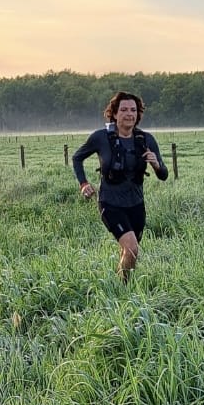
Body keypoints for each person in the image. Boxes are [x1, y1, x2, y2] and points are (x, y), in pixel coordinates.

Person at [72, 90, 168, 282]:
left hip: (136, 204)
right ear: (114, 113)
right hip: (110, 202)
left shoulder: (146, 140)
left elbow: (163, 175)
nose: (129, 114)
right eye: (123, 109)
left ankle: (120, 284)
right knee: (131, 248)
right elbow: (77, 158)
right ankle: (123, 289)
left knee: (130, 251)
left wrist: (156, 164)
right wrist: (83, 184)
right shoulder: (100, 138)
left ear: (138, 114)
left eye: (133, 110)